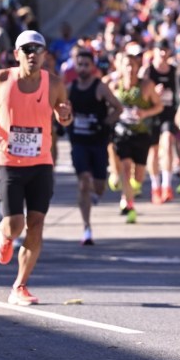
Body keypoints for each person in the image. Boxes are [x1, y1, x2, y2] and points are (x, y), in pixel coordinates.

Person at [0, 30, 74, 305]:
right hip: (8, 161)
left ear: (45, 54)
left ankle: (19, 285)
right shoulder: (1, 79)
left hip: (41, 161)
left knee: (36, 224)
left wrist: (65, 116)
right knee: (15, 224)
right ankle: (4, 233)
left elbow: (64, 116)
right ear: (17, 54)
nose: (32, 54)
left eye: (38, 49)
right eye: (27, 49)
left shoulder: (54, 83)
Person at [68, 50, 123, 245]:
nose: (82, 68)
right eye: (79, 64)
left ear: (92, 66)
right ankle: (86, 228)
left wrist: (103, 122)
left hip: (98, 143)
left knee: (99, 186)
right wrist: (63, 122)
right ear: (75, 66)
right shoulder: (70, 88)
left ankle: (95, 195)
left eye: (86, 64)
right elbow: (61, 109)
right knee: (84, 181)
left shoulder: (100, 87)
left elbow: (118, 108)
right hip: (79, 142)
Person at [109, 50, 163, 223]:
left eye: (133, 65)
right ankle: (128, 203)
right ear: (120, 67)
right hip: (122, 133)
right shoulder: (115, 85)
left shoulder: (146, 85)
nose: (130, 68)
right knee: (125, 167)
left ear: (138, 66)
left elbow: (159, 106)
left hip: (141, 134)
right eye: (127, 65)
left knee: (138, 176)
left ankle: (129, 193)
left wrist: (145, 112)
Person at [145, 39, 180, 204]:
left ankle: (167, 186)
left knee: (167, 144)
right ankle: (155, 187)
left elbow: (179, 92)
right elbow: (141, 92)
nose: (163, 54)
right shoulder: (148, 71)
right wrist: (153, 93)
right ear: (155, 51)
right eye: (160, 50)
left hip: (168, 113)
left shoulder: (174, 70)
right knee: (153, 151)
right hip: (151, 114)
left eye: (166, 50)